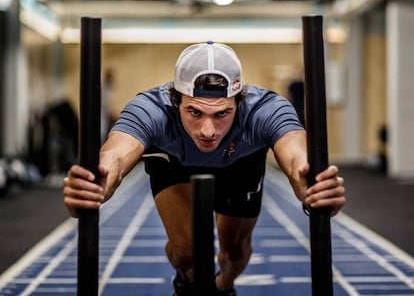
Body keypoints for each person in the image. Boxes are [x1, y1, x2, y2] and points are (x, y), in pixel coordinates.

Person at [63, 41, 345, 296]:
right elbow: (115, 154)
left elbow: (297, 155)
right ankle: (185, 282)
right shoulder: (150, 109)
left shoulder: (265, 109)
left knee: (234, 254)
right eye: (194, 112)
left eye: (222, 113)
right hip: (174, 162)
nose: (207, 130)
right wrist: (96, 181)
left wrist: (309, 182)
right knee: (187, 254)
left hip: (240, 163)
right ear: (175, 99)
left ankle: (224, 287)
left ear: (239, 100)